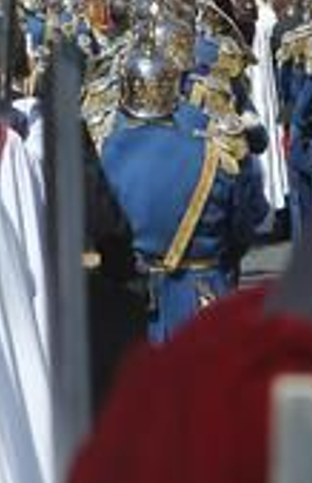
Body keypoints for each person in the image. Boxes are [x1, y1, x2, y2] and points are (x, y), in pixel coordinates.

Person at [99, 32, 270, 343]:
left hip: (126, 304)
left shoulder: (102, 151)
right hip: (200, 296)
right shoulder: (217, 150)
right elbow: (243, 229)